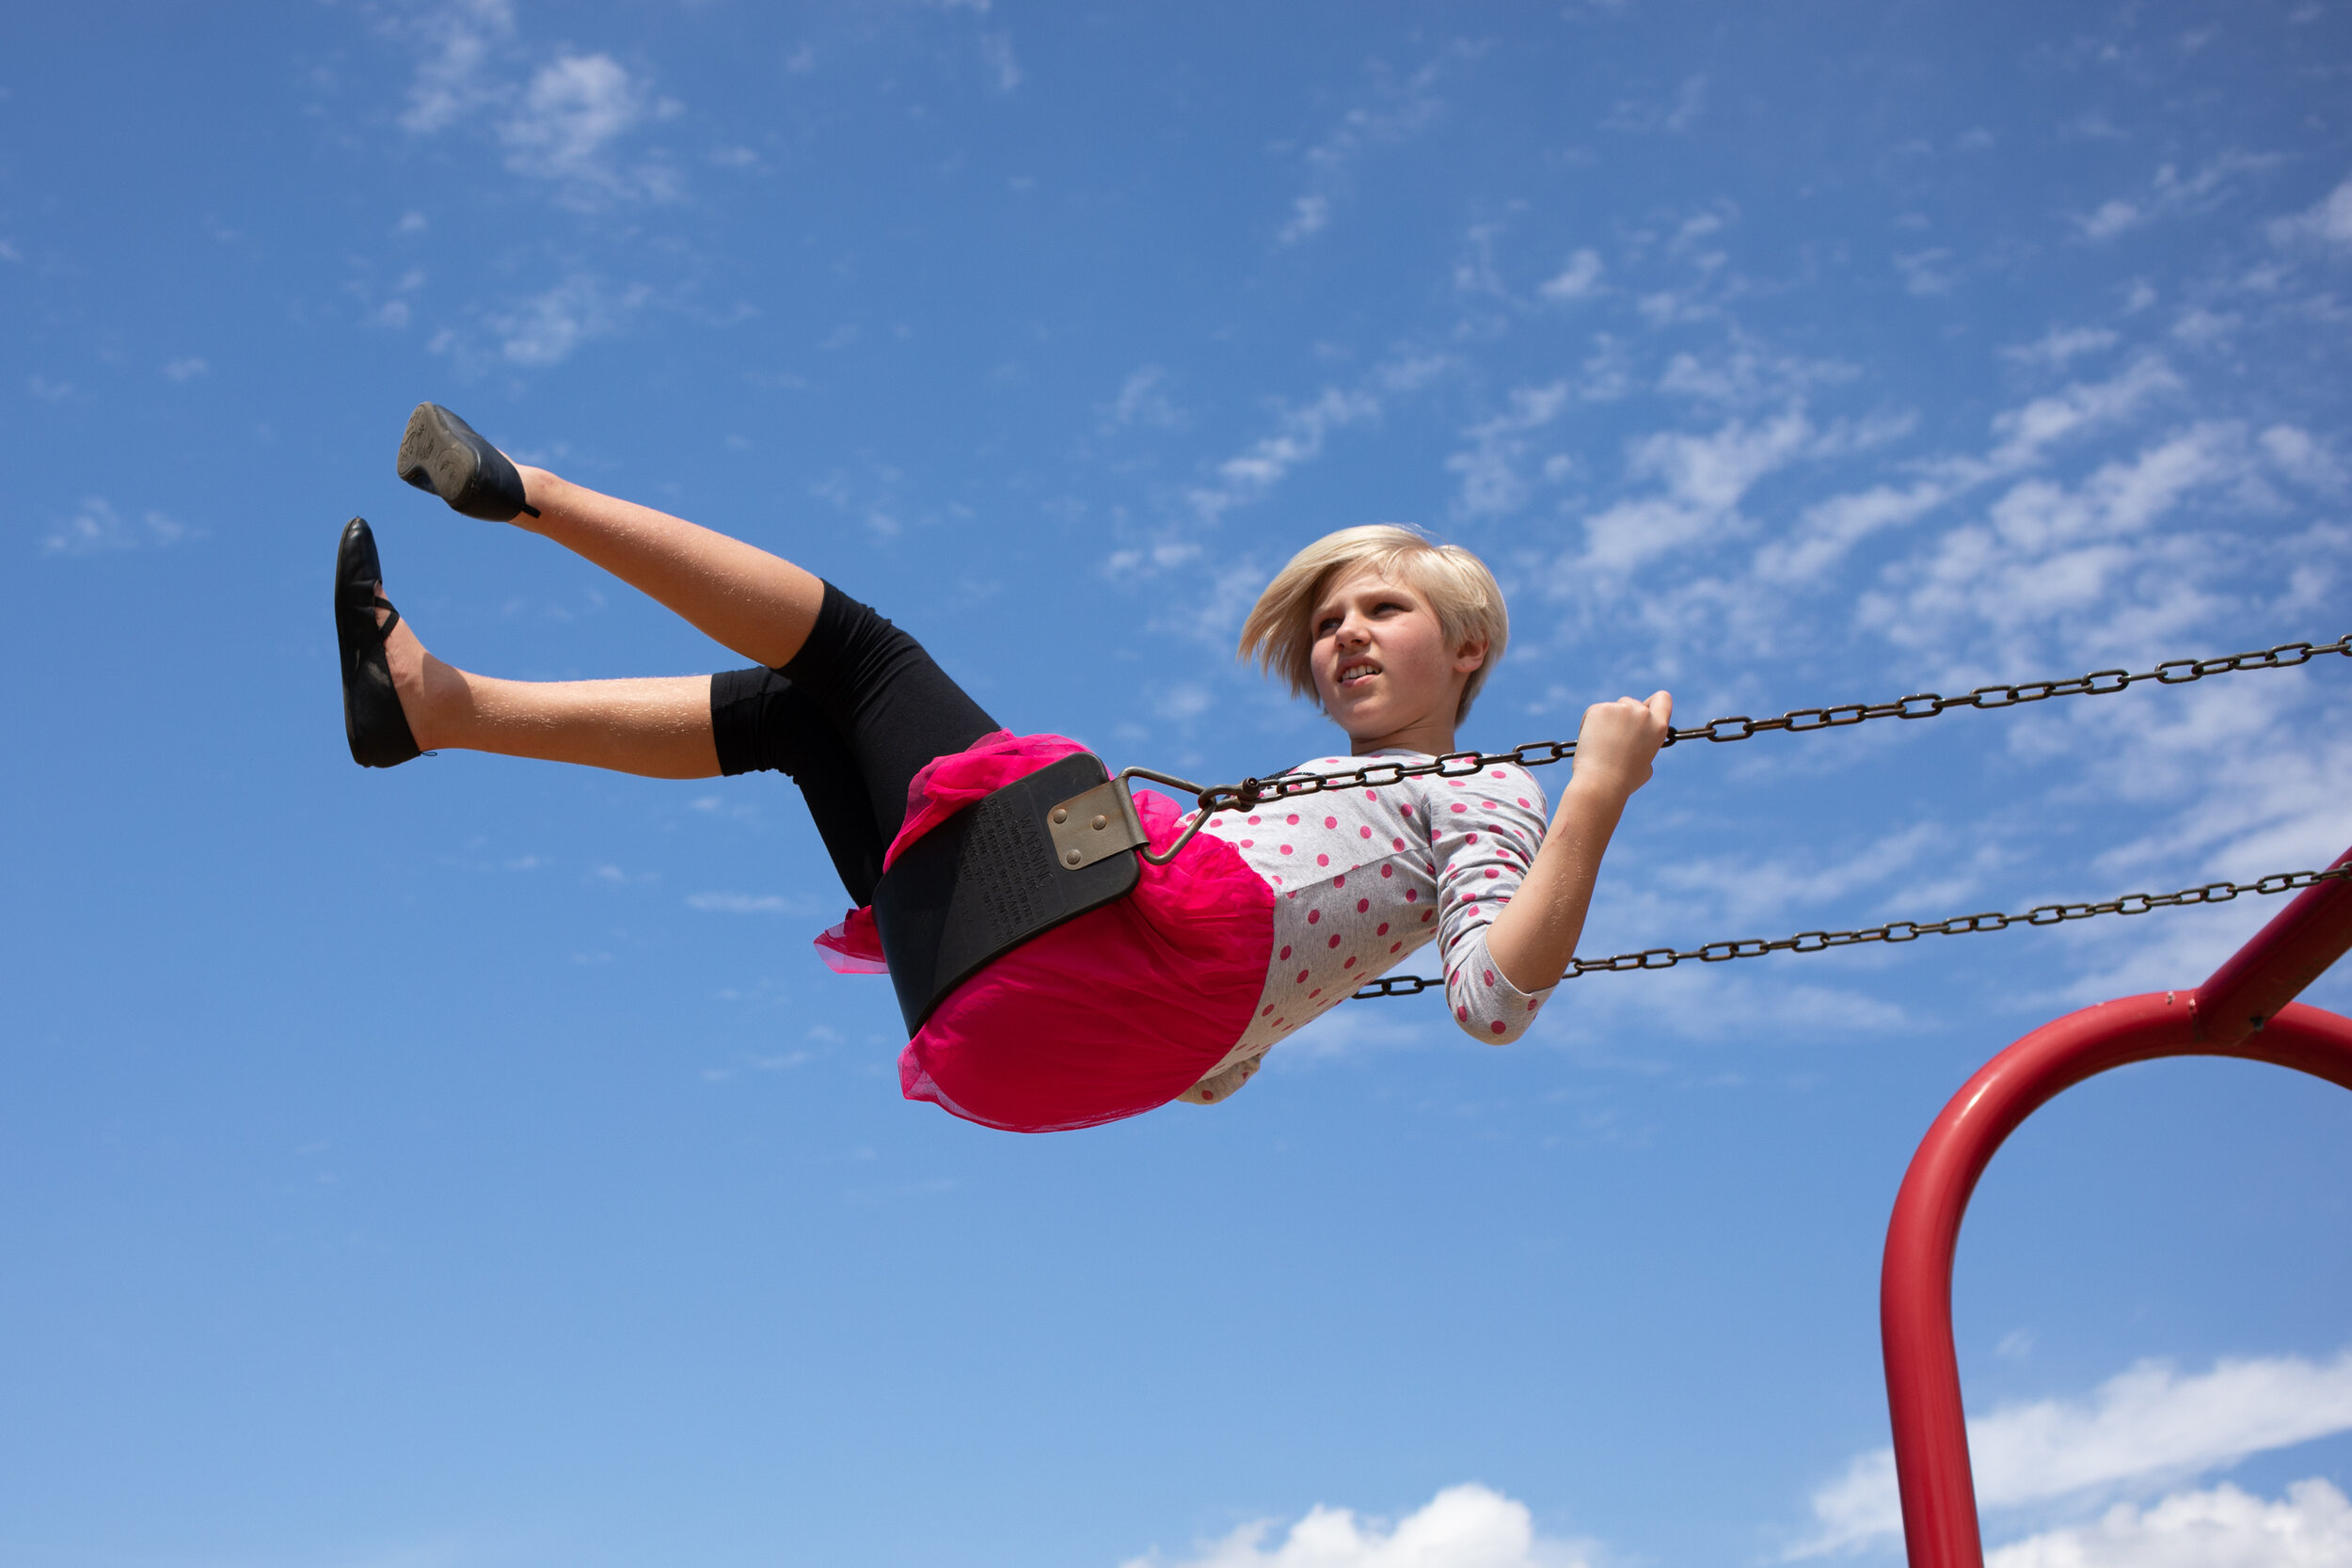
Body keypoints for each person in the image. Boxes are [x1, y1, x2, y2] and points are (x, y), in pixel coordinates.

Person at [339, 404, 1673, 1132]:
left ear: (1472, 645)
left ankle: (532, 491)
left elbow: (1492, 1001)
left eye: (1380, 611)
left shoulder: (1486, 787)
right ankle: (442, 708)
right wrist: (1241, 1047)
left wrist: (1598, 791)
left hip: (1098, 979)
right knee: (804, 717)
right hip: (1023, 1045)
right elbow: (1219, 1066)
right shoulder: (1328, 810)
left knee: (858, 657)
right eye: (1325, 623)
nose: (1343, 636)